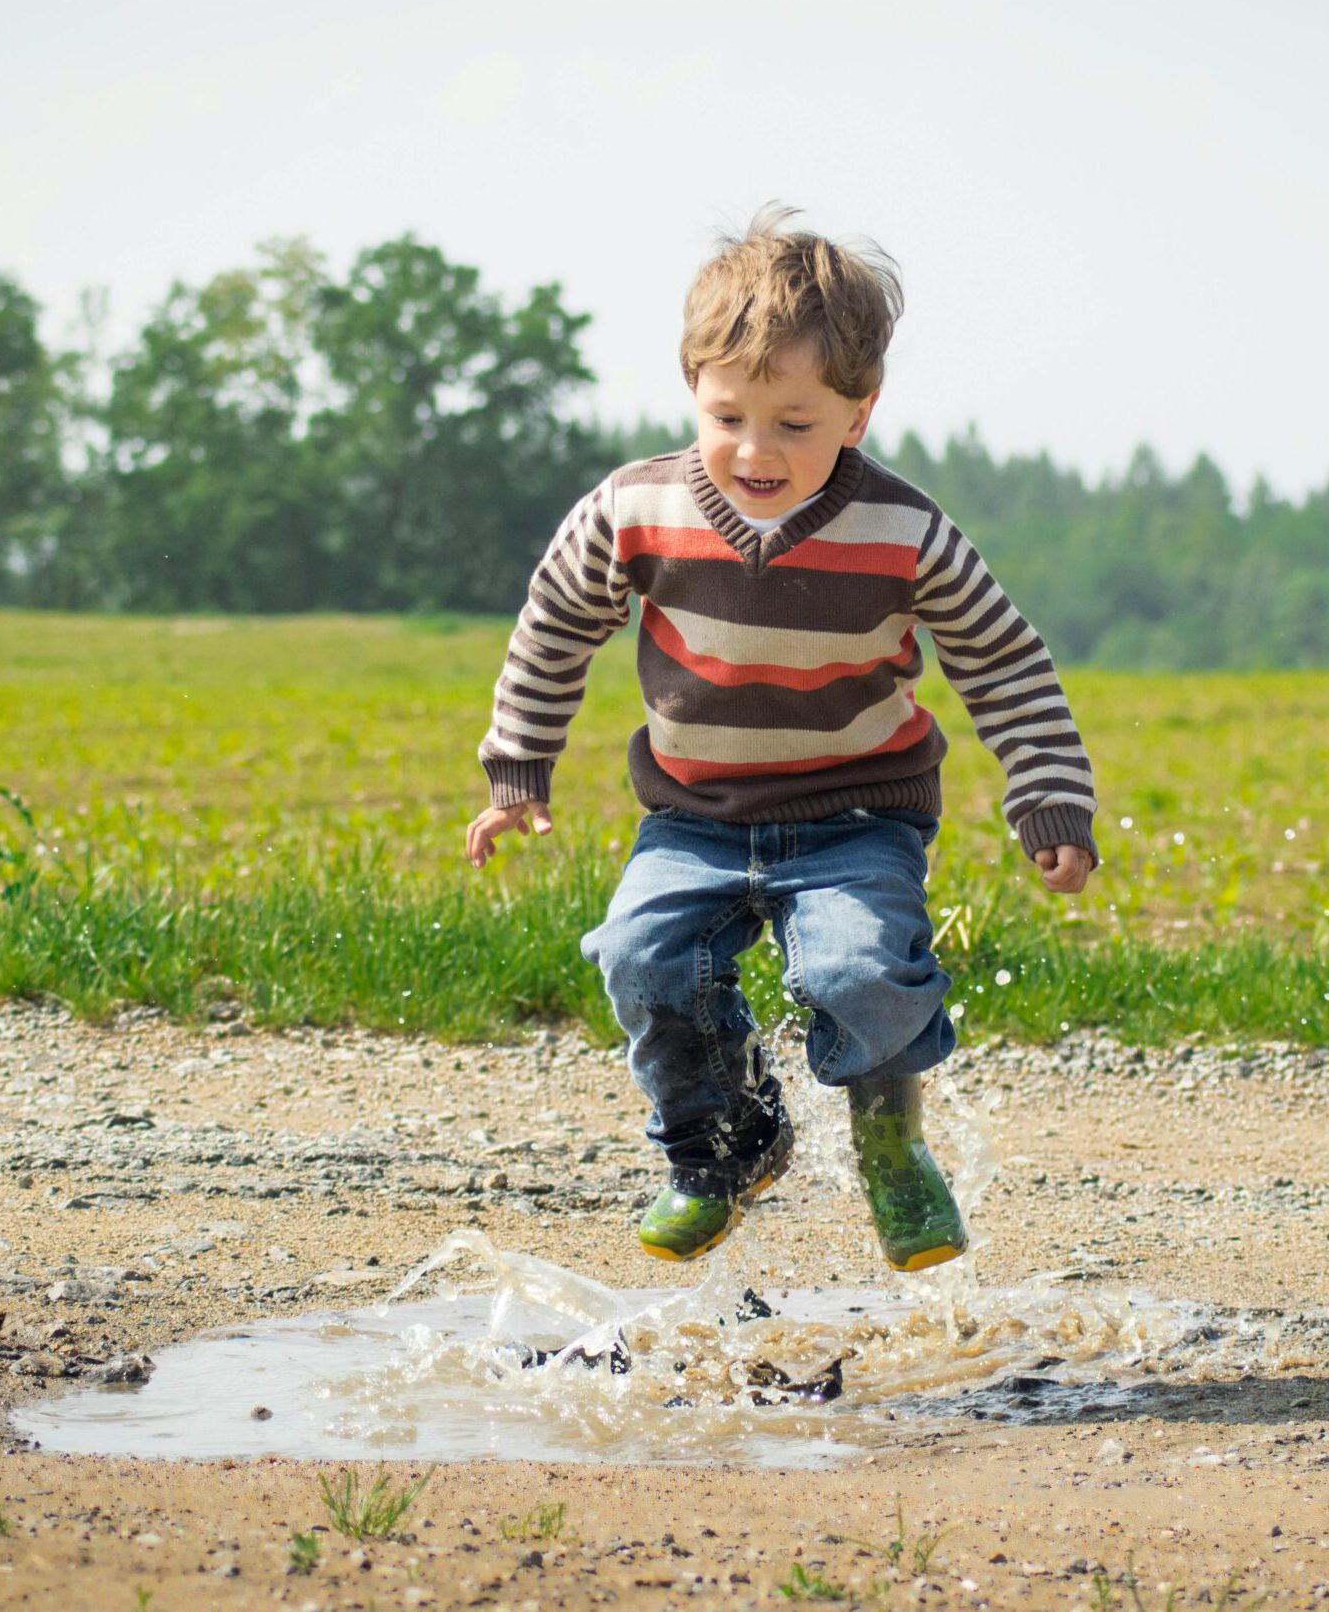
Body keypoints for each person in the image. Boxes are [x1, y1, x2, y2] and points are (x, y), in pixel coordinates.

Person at [468, 206, 1097, 1272]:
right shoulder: (634, 509)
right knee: (640, 958)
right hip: (693, 817)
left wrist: (1049, 798)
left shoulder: (906, 532)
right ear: (693, 389)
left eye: (795, 424)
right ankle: (723, 1143)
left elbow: (1002, 663)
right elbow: (555, 623)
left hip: (859, 816)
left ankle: (890, 1142)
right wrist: (517, 764)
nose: (756, 451)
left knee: (859, 972)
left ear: (858, 412)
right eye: (728, 416)